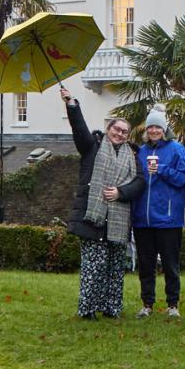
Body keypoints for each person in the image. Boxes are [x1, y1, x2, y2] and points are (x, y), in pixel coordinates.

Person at [61, 87, 145, 320]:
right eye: (117, 129)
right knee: (93, 267)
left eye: (125, 132)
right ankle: (88, 309)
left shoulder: (132, 156)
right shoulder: (92, 147)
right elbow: (79, 130)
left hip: (118, 221)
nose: (120, 134)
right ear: (108, 129)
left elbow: (140, 182)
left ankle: (111, 307)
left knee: (115, 268)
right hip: (94, 219)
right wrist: (72, 105)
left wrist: (120, 192)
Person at [132, 104, 185, 319]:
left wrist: (162, 170)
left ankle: (172, 304)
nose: (154, 130)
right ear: (146, 130)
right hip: (143, 219)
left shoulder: (177, 149)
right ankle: (147, 304)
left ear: (164, 129)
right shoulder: (141, 151)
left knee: (170, 265)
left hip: (168, 218)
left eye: (158, 127)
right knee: (146, 265)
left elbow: (184, 179)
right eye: (150, 127)